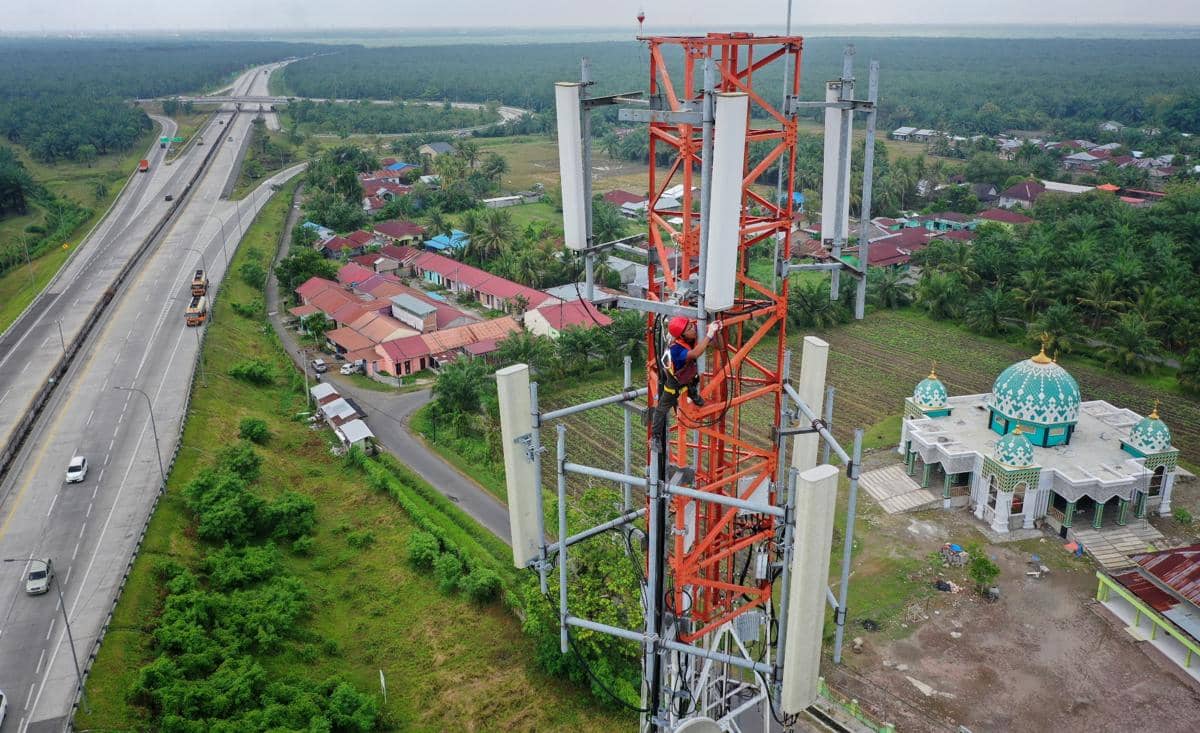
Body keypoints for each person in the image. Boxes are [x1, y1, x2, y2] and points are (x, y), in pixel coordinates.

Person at [650, 316, 721, 451]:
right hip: (674, 381)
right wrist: (710, 333)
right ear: (682, 335)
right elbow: (695, 354)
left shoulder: (688, 337)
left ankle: (693, 393)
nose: (693, 328)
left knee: (693, 379)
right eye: (689, 328)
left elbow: (719, 346)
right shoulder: (676, 350)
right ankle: (655, 437)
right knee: (662, 409)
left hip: (686, 374)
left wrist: (716, 330)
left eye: (691, 325)